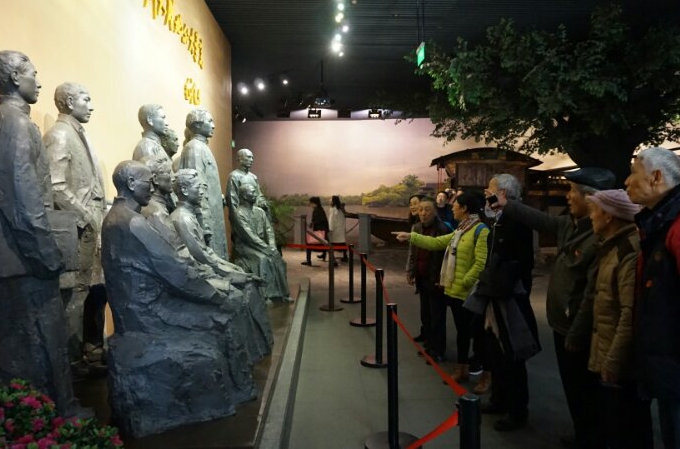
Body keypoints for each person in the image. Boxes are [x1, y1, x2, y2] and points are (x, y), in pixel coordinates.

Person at [100, 160, 258, 436]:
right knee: (225, 315)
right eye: (147, 182)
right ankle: (238, 392)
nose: (152, 188)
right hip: (149, 313)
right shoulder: (133, 222)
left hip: (141, 307)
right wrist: (216, 295)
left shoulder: (118, 217)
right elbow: (176, 271)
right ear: (131, 184)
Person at [490, 167, 615, 448]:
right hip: (562, 322)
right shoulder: (570, 223)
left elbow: (592, 294)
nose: (567, 196)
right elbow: (540, 220)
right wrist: (506, 204)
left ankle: (592, 437)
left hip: (578, 327)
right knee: (572, 386)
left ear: (591, 198)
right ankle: (582, 431)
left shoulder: (599, 233)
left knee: (586, 388)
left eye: (573, 191)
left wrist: (576, 333)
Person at [0, 50, 81, 416]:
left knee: (28, 345)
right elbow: (21, 194)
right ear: (15, 78)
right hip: (25, 258)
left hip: (18, 256)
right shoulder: (16, 123)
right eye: (33, 73)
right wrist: (45, 253)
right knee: (41, 341)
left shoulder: (12, 120)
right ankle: (51, 417)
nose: (40, 82)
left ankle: (43, 415)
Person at [42, 81, 108, 374]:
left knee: (95, 291)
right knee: (75, 295)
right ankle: (72, 359)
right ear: (69, 102)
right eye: (86, 99)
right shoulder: (59, 135)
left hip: (91, 229)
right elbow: (56, 186)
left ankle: (92, 351)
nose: (91, 106)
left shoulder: (79, 134)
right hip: (77, 231)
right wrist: (86, 216)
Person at [582, 189, 652, 448]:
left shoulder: (627, 251)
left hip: (620, 360)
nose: (591, 216)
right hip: (607, 348)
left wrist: (613, 360)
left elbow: (628, 312)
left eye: (595, 210)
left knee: (627, 426)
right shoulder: (610, 246)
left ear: (609, 216)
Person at [395, 193, 489, 384]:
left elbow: (481, 263)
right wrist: (411, 236)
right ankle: (462, 368)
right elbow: (436, 243)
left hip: (468, 292)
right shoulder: (461, 229)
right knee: (462, 332)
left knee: (477, 333)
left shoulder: (481, 230)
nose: (452, 208)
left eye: (456, 205)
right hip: (455, 291)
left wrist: (464, 281)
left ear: (464, 209)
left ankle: (483, 372)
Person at [625, 147, 680, 449]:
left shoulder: (675, 226)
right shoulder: (657, 223)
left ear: (656, 177)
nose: (627, 181)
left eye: (634, 172)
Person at [479, 174, 540, 432]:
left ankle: (516, 410)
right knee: (496, 352)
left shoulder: (517, 221)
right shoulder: (499, 219)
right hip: (496, 294)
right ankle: (499, 399)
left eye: (490, 189)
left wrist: (499, 281)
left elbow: (519, 262)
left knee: (512, 355)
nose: (486, 192)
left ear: (502, 193)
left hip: (510, 296)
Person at [397, 196, 452, 359]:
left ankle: (438, 349)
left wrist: (443, 279)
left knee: (437, 316)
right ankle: (429, 342)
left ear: (435, 212)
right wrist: (410, 271)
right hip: (422, 276)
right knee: (425, 313)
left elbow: (446, 257)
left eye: (427, 210)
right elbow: (413, 252)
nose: (423, 213)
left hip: (436, 278)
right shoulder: (416, 228)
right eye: (420, 210)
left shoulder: (443, 229)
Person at [178, 108, 229, 259]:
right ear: (198, 124)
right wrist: (204, 225)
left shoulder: (201, 147)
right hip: (206, 220)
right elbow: (196, 187)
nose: (213, 125)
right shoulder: (194, 148)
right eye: (209, 121)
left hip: (211, 214)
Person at [232, 183, 292, 303]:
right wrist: (266, 249)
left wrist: (272, 246)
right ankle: (264, 295)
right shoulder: (239, 213)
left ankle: (283, 293)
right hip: (245, 246)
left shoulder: (260, 211)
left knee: (277, 258)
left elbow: (269, 230)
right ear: (244, 196)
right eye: (252, 192)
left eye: (255, 191)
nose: (255, 194)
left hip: (260, 245)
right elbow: (249, 236)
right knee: (263, 259)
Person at [226, 148, 269, 219]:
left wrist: (262, 202)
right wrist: (236, 218)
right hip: (242, 216)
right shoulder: (234, 176)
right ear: (240, 159)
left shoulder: (253, 177)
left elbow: (259, 195)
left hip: (255, 215)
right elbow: (232, 200)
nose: (251, 160)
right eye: (248, 157)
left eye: (252, 158)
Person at [301, 196, 329, 266]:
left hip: (320, 231)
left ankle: (308, 260)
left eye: (310, 203)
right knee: (326, 244)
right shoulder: (320, 209)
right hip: (323, 230)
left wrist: (313, 224)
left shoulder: (316, 210)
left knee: (309, 243)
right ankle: (332, 259)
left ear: (314, 203)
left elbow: (318, 221)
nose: (309, 204)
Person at [328, 195, 348, 264]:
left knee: (331, 243)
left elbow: (331, 220)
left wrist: (330, 229)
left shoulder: (332, 209)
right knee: (342, 242)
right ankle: (345, 256)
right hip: (340, 229)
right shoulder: (340, 209)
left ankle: (333, 260)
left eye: (330, 200)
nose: (329, 201)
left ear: (333, 201)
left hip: (335, 229)